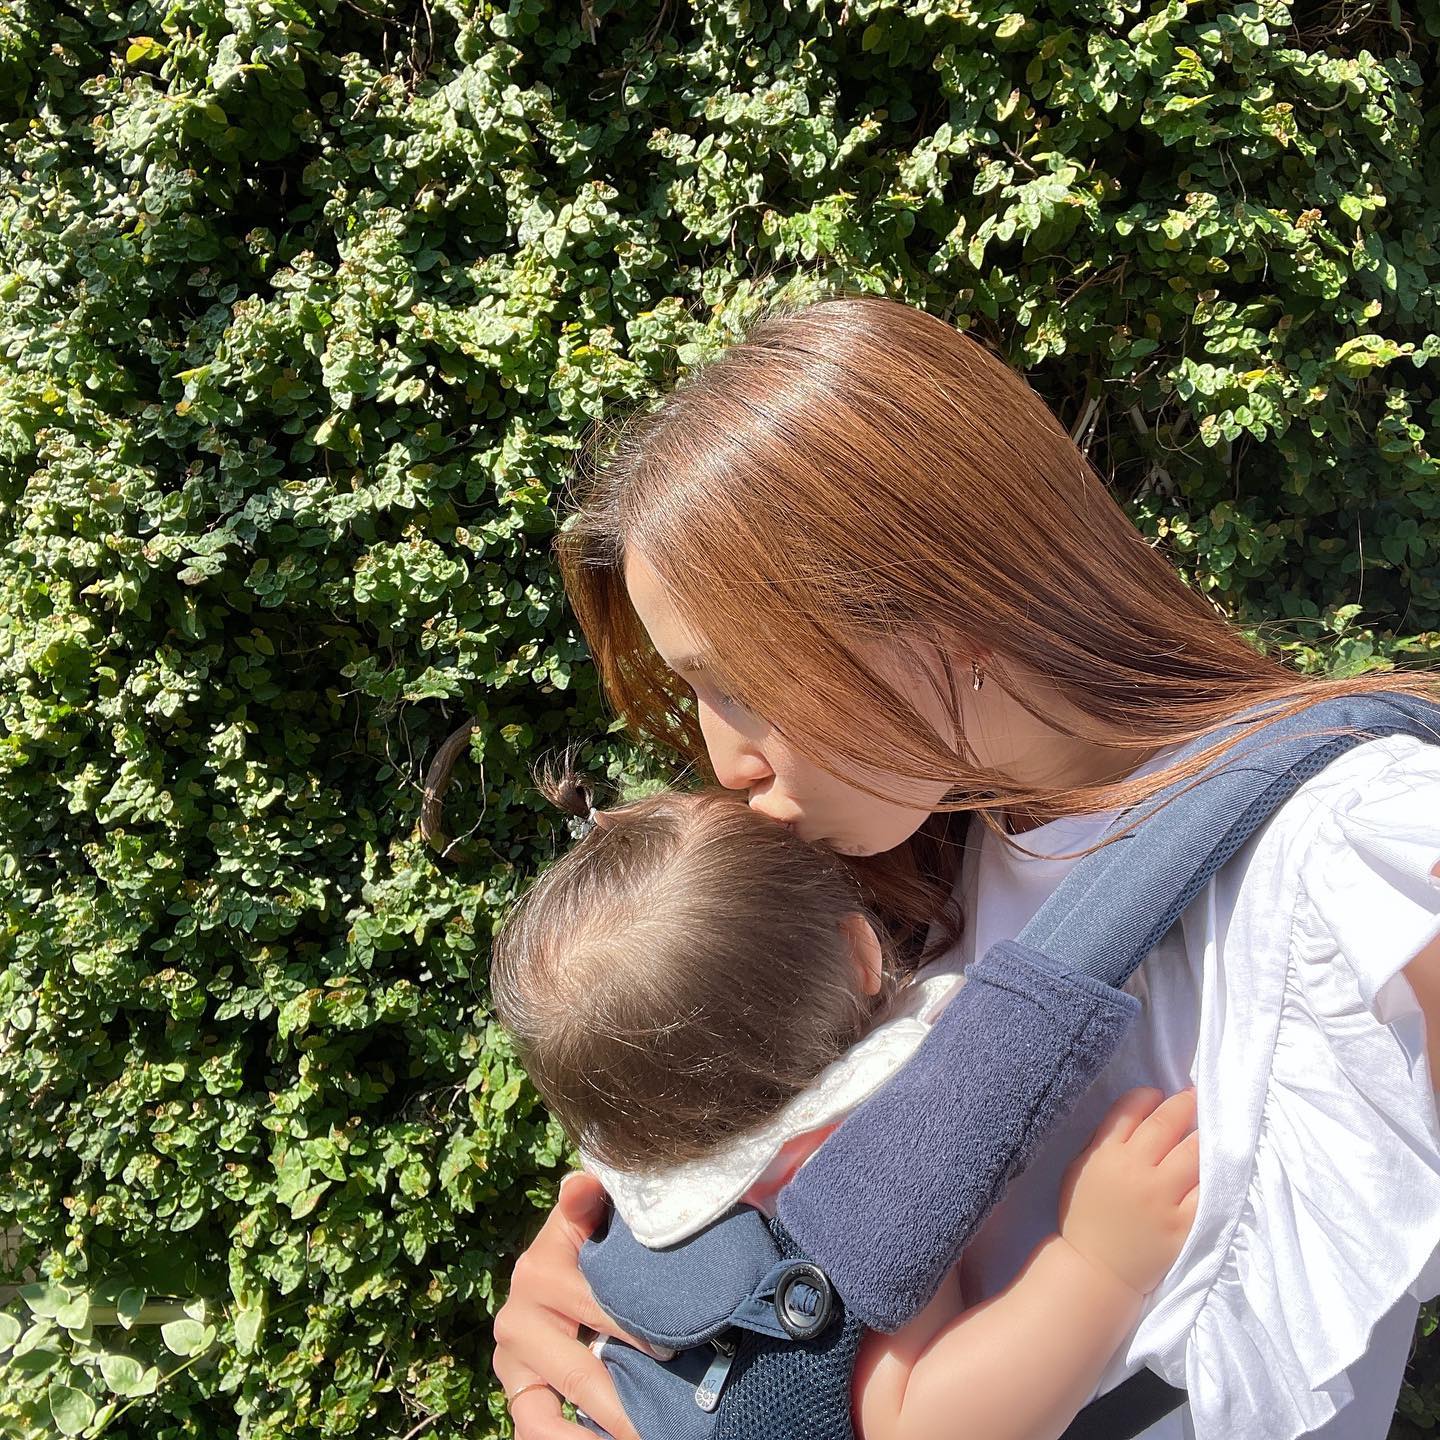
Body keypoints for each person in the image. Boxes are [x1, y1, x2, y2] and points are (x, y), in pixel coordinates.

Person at [490, 292, 1440, 1440]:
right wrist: (593, 1285)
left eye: (740, 677)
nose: (720, 756)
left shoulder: (1363, 859)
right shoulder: (899, 863)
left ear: (948, 598)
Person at [489, 775, 1202, 1440]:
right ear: (863, 952)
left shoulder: (642, 1201)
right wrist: (1097, 1267)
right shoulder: (860, 1159)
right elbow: (914, 1418)